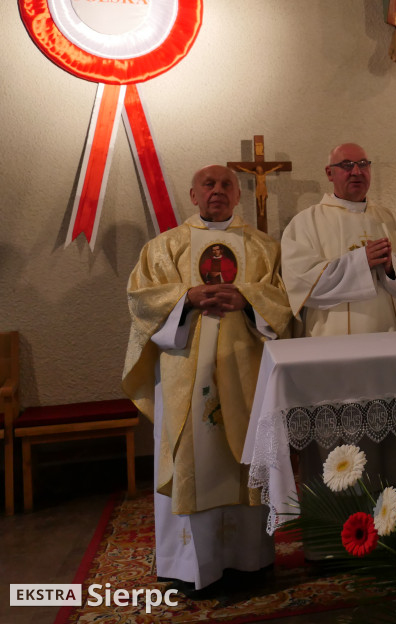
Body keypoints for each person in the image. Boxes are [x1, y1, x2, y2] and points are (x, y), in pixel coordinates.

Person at [123, 165, 293, 595]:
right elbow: (141, 304)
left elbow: (284, 299)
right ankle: (190, 568)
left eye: (226, 186)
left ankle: (248, 561)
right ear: (193, 195)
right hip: (186, 375)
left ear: (237, 195)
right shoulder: (164, 248)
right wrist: (186, 298)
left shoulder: (263, 248)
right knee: (191, 461)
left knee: (245, 457)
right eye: (208, 185)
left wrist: (248, 298)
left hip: (246, 371)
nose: (217, 191)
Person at [280, 143, 396, 522]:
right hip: (334, 358)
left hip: (389, 356)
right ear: (329, 173)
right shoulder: (306, 223)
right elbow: (302, 284)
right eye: (346, 165)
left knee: (393, 441)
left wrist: (392, 265)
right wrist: (360, 262)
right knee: (340, 439)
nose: (356, 171)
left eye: (363, 163)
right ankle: (335, 536)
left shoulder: (391, 220)